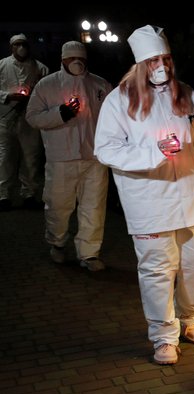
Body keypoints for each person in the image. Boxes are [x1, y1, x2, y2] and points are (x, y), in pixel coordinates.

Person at [94, 25, 194, 365]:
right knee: (157, 269)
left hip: (190, 195)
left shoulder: (187, 95)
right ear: (141, 63)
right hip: (149, 200)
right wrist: (153, 153)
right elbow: (105, 149)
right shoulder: (119, 100)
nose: (162, 65)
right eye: (154, 59)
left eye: (166, 58)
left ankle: (189, 316)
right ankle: (163, 336)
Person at [25, 41, 112, 271]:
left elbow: (114, 117)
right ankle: (57, 243)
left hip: (94, 159)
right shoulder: (47, 85)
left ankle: (89, 253)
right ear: (62, 59)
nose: (77, 62)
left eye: (81, 58)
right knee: (58, 205)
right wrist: (59, 114)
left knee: (93, 206)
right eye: (71, 58)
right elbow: (32, 117)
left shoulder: (100, 84)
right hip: (61, 157)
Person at [0, 33, 49, 211]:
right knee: (4, 158)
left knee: (30, 158)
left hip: (29, 120)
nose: (21, 48)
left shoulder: (40, 68)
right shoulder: (2, 65)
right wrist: (7, 96)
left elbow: (47, 92)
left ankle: (29, 193)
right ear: (11, 47)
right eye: (18, 44)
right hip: (5, 119)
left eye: (24, 44)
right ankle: (3, 195)